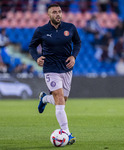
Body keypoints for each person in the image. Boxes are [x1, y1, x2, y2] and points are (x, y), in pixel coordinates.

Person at [28, 3, 81, 145]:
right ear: (49, 15)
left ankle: (45, 99)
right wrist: (37, 58)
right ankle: (67, 134)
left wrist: (73, 56)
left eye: (59, 12)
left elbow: (77, 43)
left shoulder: (70, 28)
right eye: (54, 12)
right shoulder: (41, 30)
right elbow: (32, 46)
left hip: (66, 68)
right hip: (50, 68)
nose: (57, 14)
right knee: (58, 97)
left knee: (62, 100)